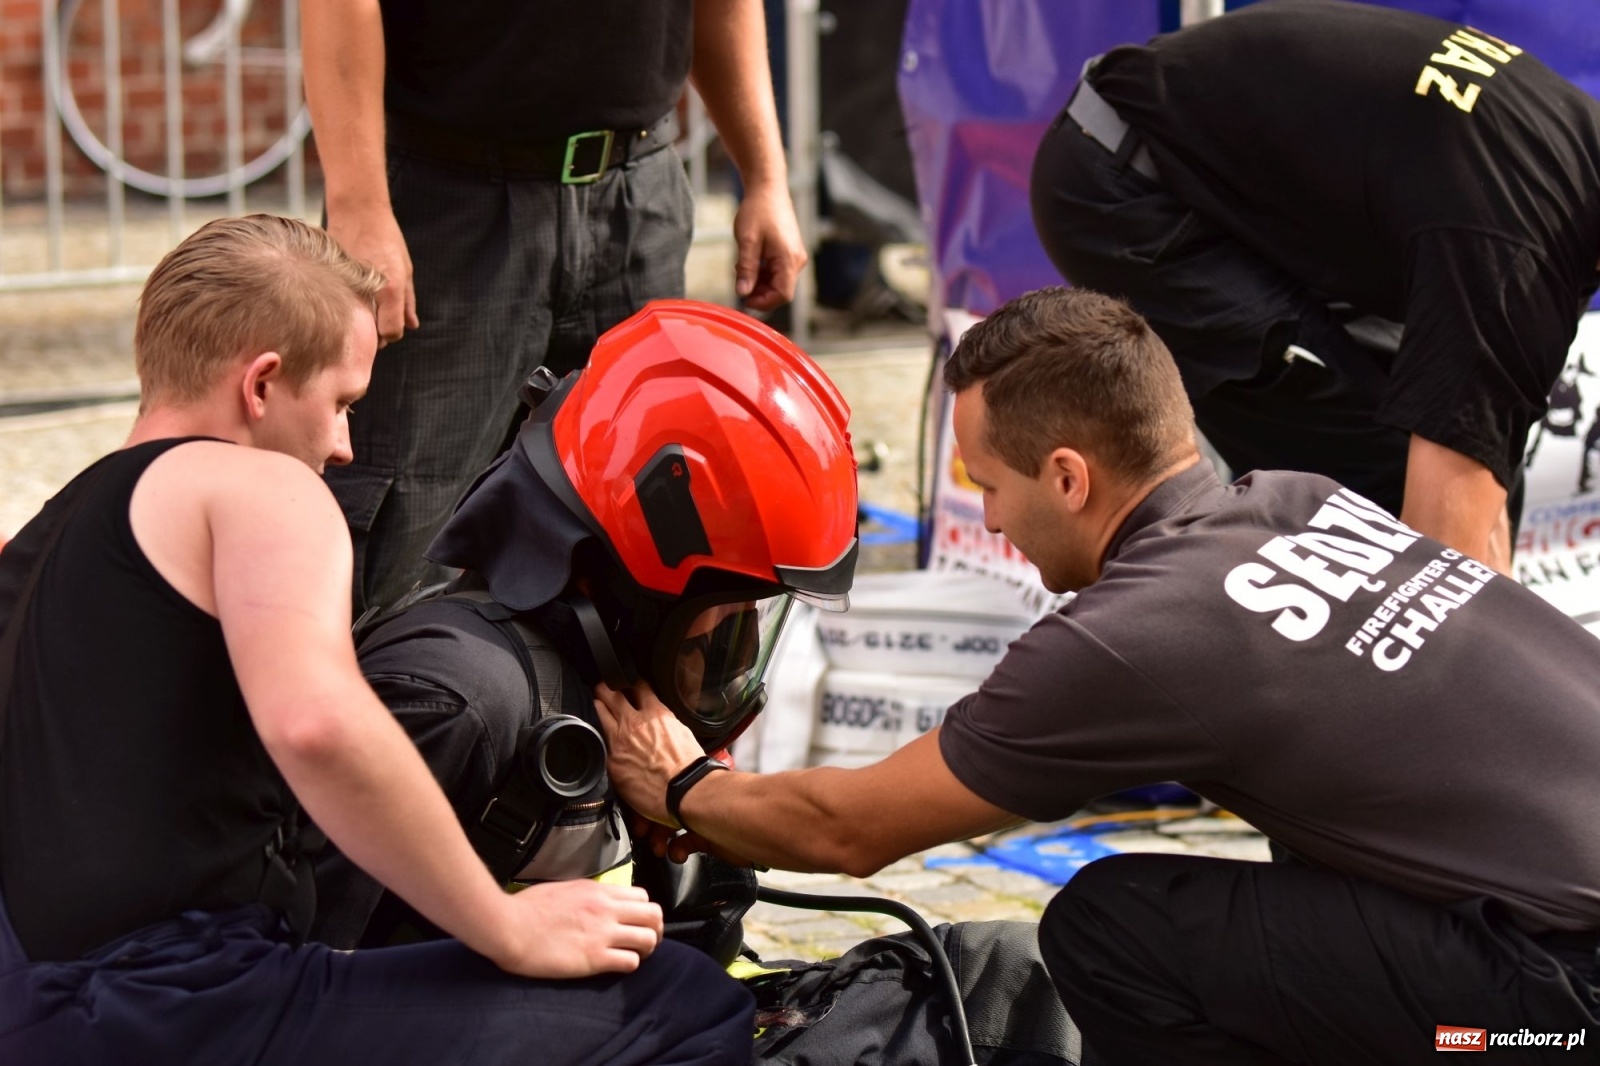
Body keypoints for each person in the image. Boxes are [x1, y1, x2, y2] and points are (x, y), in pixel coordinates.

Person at [600, 286, 1600, 1064]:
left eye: (989, 485)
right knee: (1305, 863)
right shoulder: (1303, 500)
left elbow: (847, 828)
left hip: (1559, 1010)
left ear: (1069, 477)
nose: (991, 519)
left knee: (1110, 927)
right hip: (1556, 928)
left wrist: (685, 787)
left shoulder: (1135, 634)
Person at [0, 217, 751, 1065]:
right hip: (182, 1002)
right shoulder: (258, 486)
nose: (344, 446)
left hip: (33, 1007)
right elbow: (316, 724)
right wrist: (506, 925)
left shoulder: (44, 537)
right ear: (262, 383)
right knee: (680, 1002)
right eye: (342, 403)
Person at [310, 299, 861, 958]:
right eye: (725, 619)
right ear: (627, 580)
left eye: (754, 621)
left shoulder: (620, 707)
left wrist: (696, 798)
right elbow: (304, 978)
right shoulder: (461, 702)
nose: (733, 653)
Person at [1028, 0, 1600, 575]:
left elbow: (1479, 445)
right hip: (1128, 183)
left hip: (1228, 180)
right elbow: (1439, 550)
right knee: (1380, 498)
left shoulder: (1573, 155)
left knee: (1483, 458)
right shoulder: (1513, 254)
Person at [303, 0, 807, 615]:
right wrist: (358, 203)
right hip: (446, 200)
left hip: (636, 190)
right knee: (400, 542)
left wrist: (766, 178)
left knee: (635, 532)